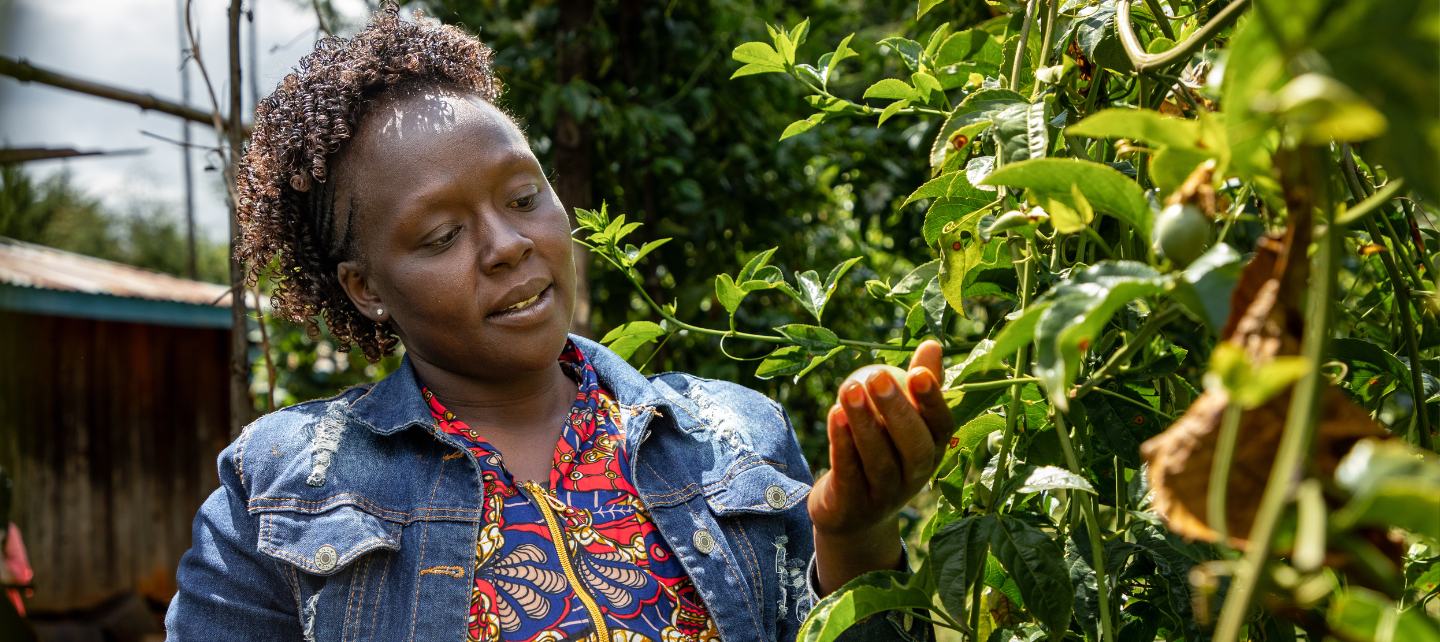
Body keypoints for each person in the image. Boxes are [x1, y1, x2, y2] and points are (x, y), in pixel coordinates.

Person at [166, 5, 952, 641]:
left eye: (523, 197)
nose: (509, 245)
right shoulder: (283, 490)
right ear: (366, 288)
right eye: (442, 235)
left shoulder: (735, 434)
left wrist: (855, 536)